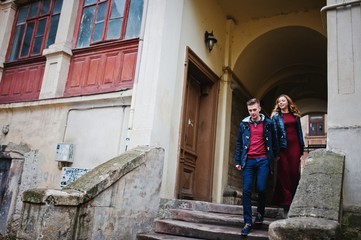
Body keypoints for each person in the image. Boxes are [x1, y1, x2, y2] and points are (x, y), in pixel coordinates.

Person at [235, 98, 279, 236]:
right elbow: (239, 144)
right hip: (248, 161)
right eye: (250, 110)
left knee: (261, 188)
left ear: (259, 108)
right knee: (247, 190)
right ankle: (247, 222)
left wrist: (275, 155)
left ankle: (260, 214)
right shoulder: (244, 124)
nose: (252, 113)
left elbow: (274, 141)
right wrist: (237, 160)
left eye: (254, 110)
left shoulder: (268, 123)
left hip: (263, 160)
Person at [271, 94, 304, 213]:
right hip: (282, 147)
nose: (281, 103)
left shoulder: (295, 115)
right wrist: (276, 151)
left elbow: (299, 131)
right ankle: (287, 199)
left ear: (288, 102)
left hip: (295, 146)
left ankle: (294, 196)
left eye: (283, 100)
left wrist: (301, 146)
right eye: (279, 101)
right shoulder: (276, 117)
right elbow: (274, 134)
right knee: (284, 171)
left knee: (294, 172)